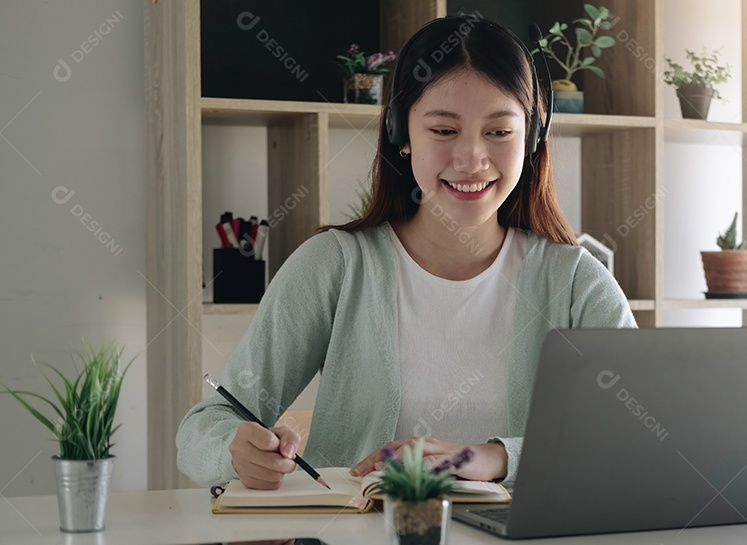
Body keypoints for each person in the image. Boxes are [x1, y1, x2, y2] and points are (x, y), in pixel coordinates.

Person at [176, 15, 636, 490]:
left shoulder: (577, 281)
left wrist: (495, 457)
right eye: (443, 130)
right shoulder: (334, 266)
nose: (471, 159)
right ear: (402, 133)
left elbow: (637, 436)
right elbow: (203, 428)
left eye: (499, 132)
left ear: (532, 138)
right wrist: (235, 450)